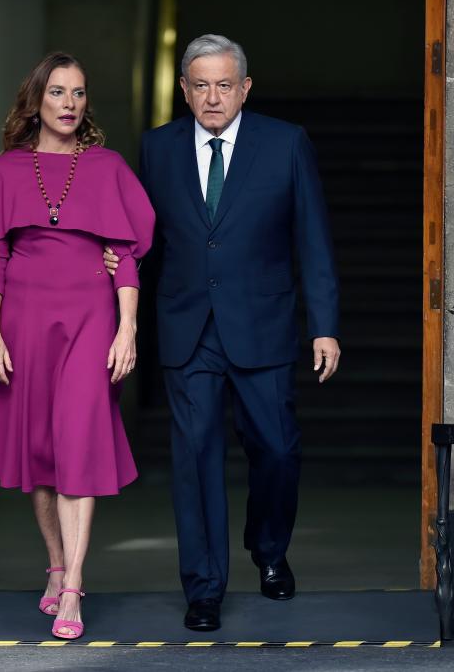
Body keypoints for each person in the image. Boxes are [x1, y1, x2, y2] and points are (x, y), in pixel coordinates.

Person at [105, 34, 340, 631]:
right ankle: (204, 588)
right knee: (196, 459)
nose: (212, 96)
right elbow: (144, 237)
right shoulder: (156, 148)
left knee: (278, 451)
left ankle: (268, 550)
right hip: (188, 328)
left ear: (245, 88)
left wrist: (325, 327)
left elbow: (311, 240)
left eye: (224, 84)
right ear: (184, 89)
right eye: (200, 84)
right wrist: (118, 267)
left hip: (262, 324)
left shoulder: (285, 144)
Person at [0, 52, 154, 640]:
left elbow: (128, 253)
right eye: (59, 92)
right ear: (36, 100)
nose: (69, 104)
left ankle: (72, 588)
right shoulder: (8, 170)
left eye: (79, 93)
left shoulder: (108, 166)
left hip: (90, 319)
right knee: (39, 450)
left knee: (79, 445)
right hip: (24, 321)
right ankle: (55, 561)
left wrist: (127, 326)